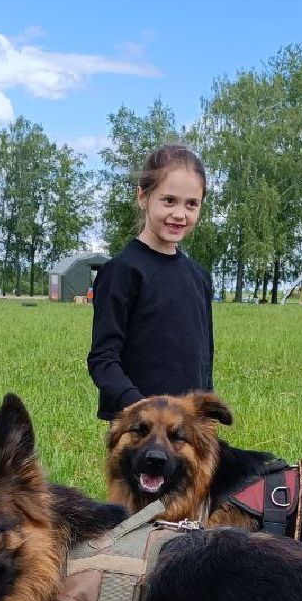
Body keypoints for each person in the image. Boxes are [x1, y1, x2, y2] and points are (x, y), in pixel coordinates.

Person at [88, 144, 213, 421]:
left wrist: (205, 414)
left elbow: (204, 360)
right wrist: (139, 408)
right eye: (169, 200)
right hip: (140, 430)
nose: (180, 214)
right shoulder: (122, 272)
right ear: (143, 196)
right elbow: (103, 359)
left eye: (191, 204)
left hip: (187, 430)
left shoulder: (199, 277)